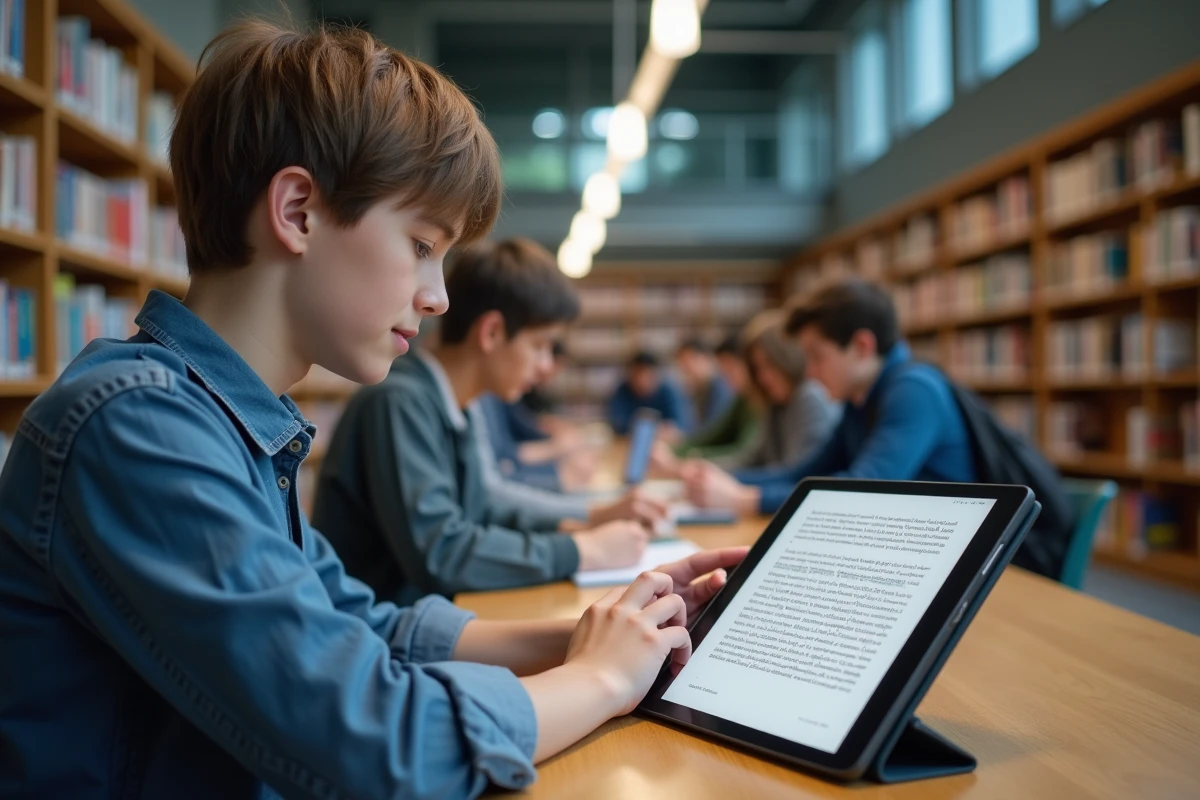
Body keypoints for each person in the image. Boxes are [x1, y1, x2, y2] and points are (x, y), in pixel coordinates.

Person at [0, 21, 747, 798]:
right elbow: (376, 744)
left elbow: (364, 625)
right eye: (423, 244)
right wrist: (598, 682)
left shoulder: (233, 422)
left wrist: (607, 637)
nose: (439, 295)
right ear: (297, 213)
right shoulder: (136, 426)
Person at [312, 237, 668, 605]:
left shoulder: (459, 402)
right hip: (380, 637)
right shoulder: (399, 401)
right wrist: (580, 550)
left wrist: (595, 514)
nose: (547, 367)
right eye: (540, 345)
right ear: (492, 332)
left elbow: (489, 499)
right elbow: (442, 551)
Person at [684, 280, 975, 516]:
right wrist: (726, 481)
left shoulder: (914, 390)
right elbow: (807, 473)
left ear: (862, 346)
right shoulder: (858, 397)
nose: (808, 373)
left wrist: (747, 500)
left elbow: (865, 489)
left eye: (816, 357)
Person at [669, 333, 762, 466]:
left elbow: (745, 453)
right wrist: (676, 452)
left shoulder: (727, 393)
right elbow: (712, 436)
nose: (727, 378)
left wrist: (688, 456)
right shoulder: (741, 399)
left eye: (730, 369)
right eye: (724, 371)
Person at [607, 351, 693, 437]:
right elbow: (617, 422)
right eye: (638, 375)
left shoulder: (669, 391)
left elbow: (681, 423)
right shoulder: (622, 390)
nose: (642, 381)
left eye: (648, 376)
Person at [675, 337, 735, 430]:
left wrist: (681, 437)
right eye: (682, 365)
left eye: (687, 363)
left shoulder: (720, 386)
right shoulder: (697, 390)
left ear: (704, 358)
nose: (685, 370)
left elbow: (712, 429)